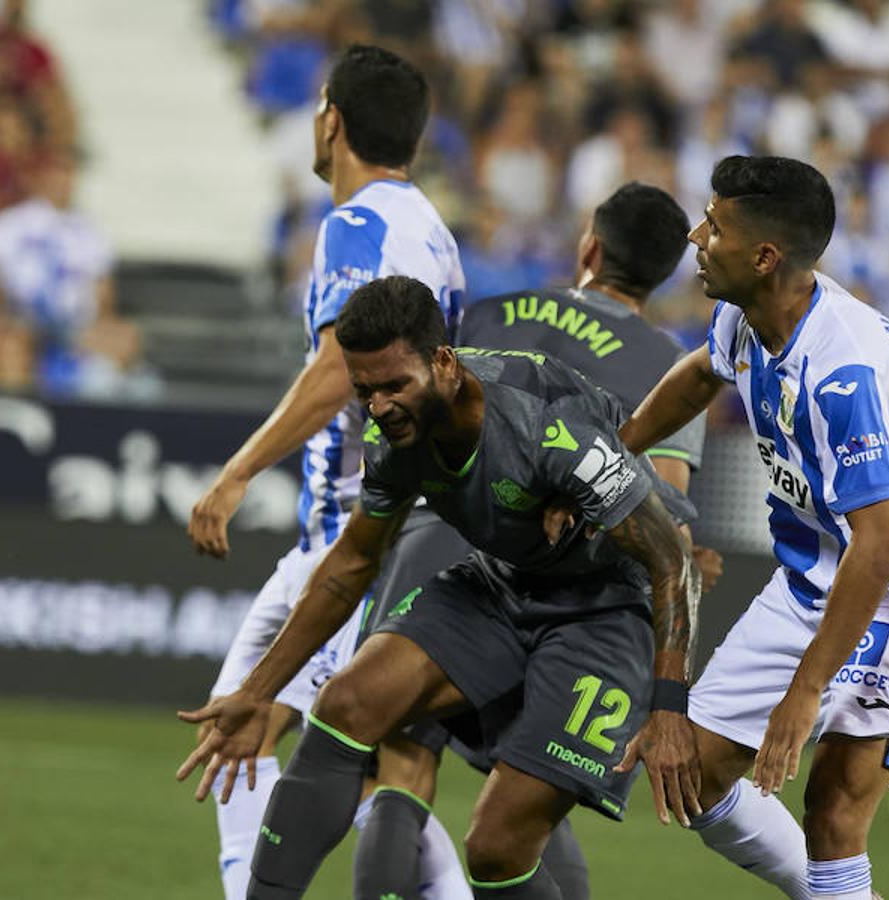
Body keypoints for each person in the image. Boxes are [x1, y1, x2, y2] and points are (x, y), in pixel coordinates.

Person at [177, 275, 701, 900]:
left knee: (497, 848)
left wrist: (669, 710)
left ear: (445, 364)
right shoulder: (394, 438)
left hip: (609, 609)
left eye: (394, 385)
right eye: (364, 390)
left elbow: (673, 563)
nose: (378, 406)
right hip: (504, 579)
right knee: (344, 705)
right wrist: (257, 692)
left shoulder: (548, 427)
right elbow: (351, 565)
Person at [615, 155, 889, 900]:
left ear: (765, 256)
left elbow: (880, 547)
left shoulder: (842, 374)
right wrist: (616, 453)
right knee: (695, 777)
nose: (696, 235)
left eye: (714, 226)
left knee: (833, 807)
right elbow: (699, 373)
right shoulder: (746, 317)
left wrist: (805, 690)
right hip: (811, 579)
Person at [352, 181, 722, 900]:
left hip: (440, 542)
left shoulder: (490, 311)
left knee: (399, 763)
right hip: (566, 583)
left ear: (590, 245)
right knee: (527, 797)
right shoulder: (666, 364)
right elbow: (661, 502)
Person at [184, 45, 466, 900]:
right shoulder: (430, 228)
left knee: (269, 730)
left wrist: (237, 472)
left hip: (358, 534)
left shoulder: (359, 222)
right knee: (256, 731)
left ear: (331, 119)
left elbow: (341, 366)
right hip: (370, 529)